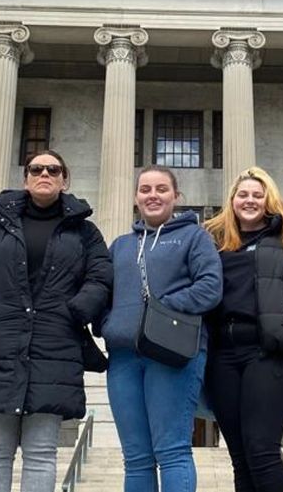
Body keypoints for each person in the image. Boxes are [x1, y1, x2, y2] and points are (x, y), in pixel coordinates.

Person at [0, 150, 113, 492]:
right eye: (36, 169)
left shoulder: (85, 232)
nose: (45, 174)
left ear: (64, 180)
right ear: (25, 178)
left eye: (53, 169)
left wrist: (76, 311)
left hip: (56, 347)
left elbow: (101, 277)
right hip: (0, 344)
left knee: (41, 453)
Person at [201, 167, 283, 492]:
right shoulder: (211, 240)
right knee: (240, 457)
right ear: (232, 200)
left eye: (257, 195)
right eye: (243, 194)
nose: (250, 200)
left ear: (269, 200)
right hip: (222, 357)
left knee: (262, 449)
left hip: (268, 352)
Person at [101, 165, 223, 492]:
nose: (152, 195)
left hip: (173, 353)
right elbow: (103, 293)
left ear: (176, 196)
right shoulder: (121, 246)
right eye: (145, 189)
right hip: (124, 357)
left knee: (172, 450)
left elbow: (210, 287)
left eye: (161, 189)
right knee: (136, 457)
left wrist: (161, 309)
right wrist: (107, 324)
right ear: (136, 197)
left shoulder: (195, 236)